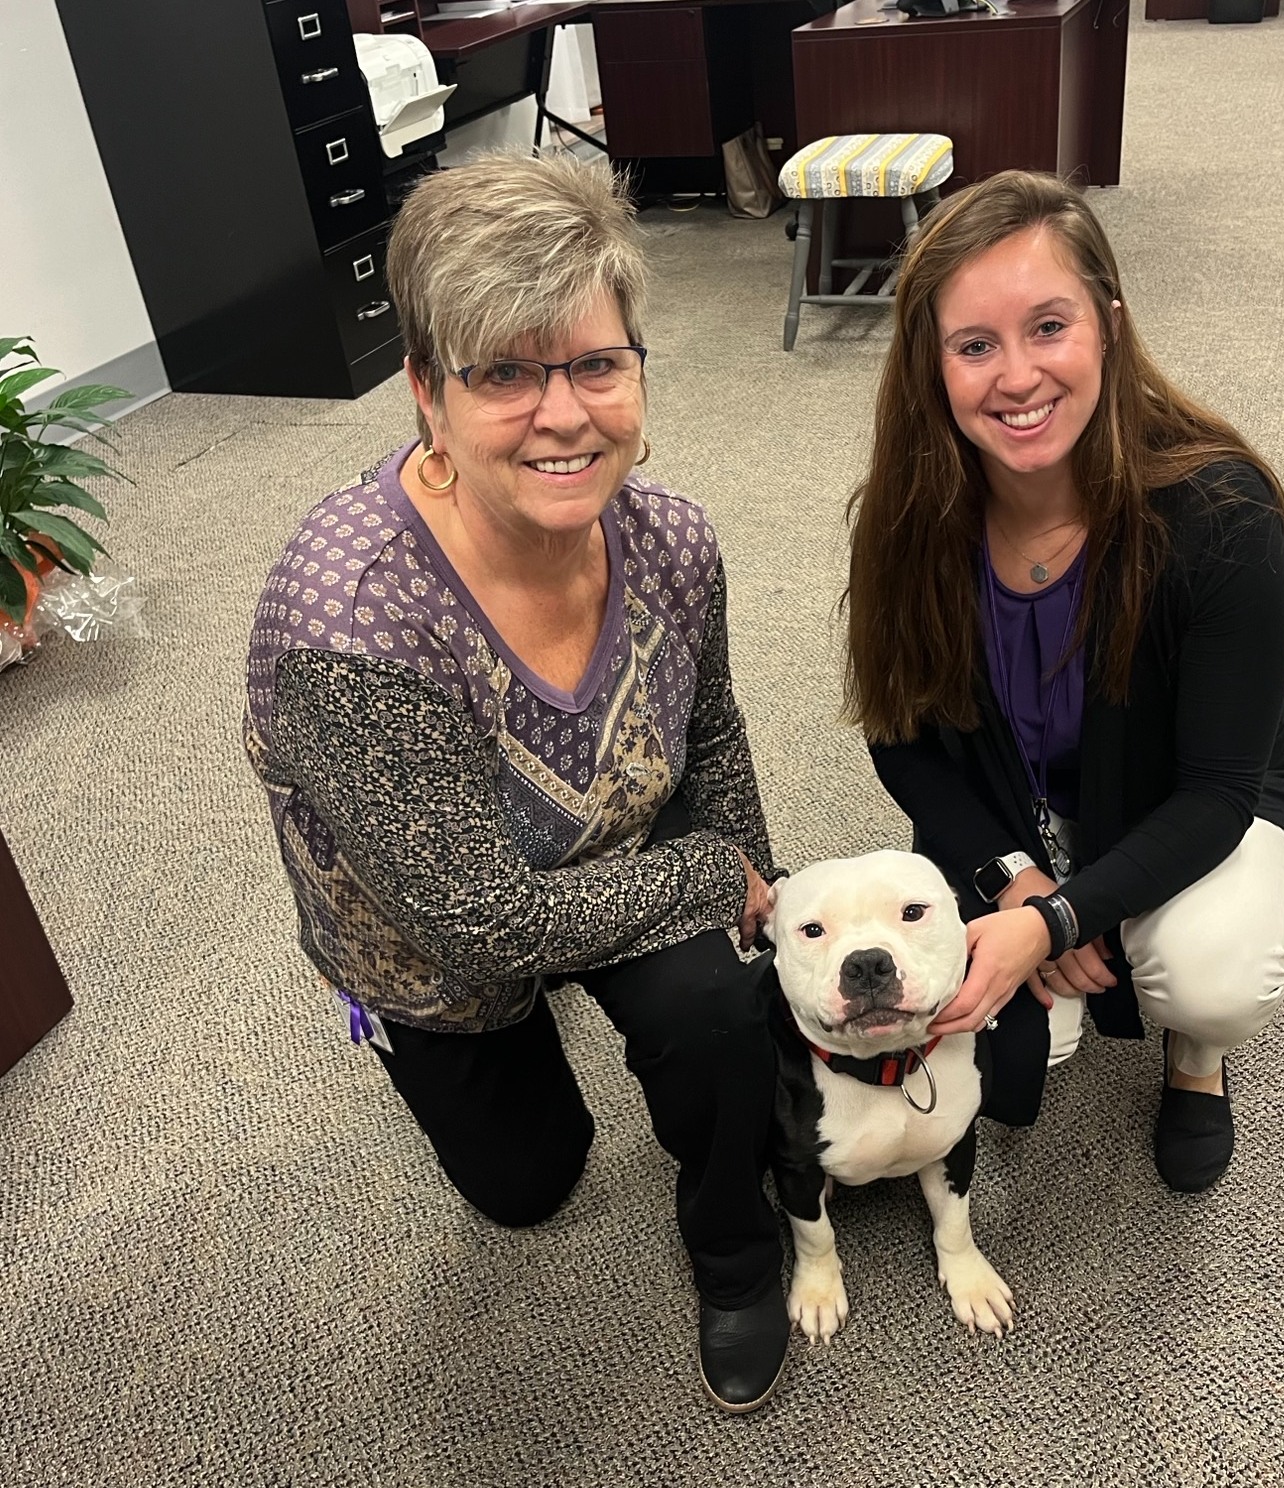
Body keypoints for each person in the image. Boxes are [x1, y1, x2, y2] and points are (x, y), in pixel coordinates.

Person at [243, 152, 789, 1412]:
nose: (565, 414)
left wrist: (760, 899)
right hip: (439, 939)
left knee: (723, 1023)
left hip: (614, 853)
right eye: (504, 373)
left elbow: (710, 730)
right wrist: (712, 873)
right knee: (532, 1182)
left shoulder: (673, 539)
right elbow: (478, 920)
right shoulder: (350, 625)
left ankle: (735, 1248)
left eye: (596, 364)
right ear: (427, 394)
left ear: (637, 370)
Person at [844, 171, 1284, 1193]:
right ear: (933, 365)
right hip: (1027, 814)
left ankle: (1195, 1061)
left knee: (1206, 977)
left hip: (1184, 795)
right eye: (975, 345)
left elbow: (1221, 790)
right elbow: (901, 735)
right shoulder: (911, 513)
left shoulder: (1224, 517)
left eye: (1048, 327)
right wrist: (1020, 884)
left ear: (1108, 325)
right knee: (1026, 1054)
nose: (1016, 377)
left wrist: (1057, 926)